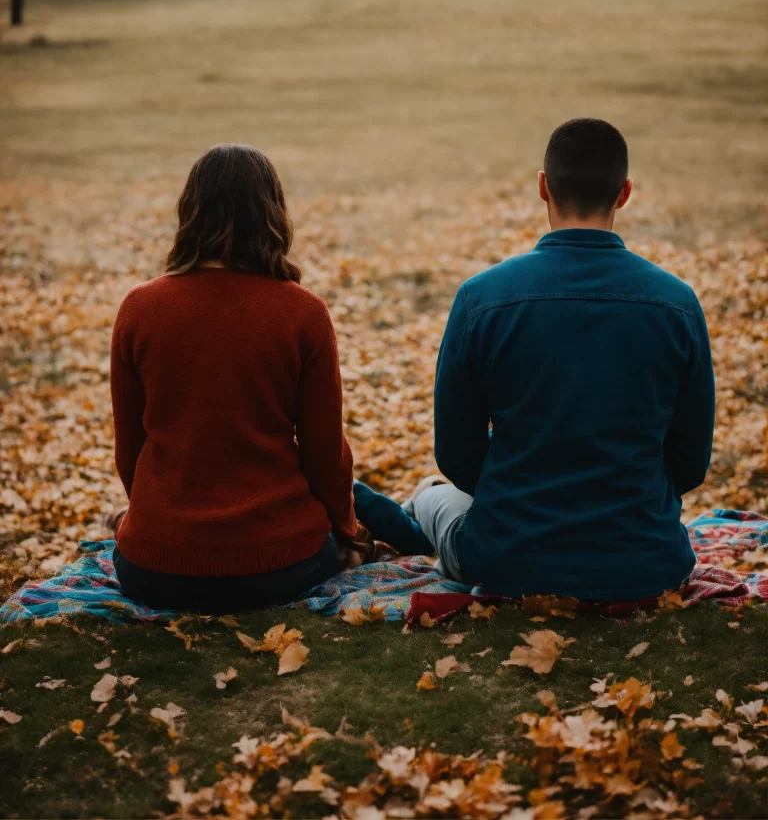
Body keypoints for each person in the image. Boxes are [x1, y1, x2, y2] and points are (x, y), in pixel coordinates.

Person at [354, 119, 716, 601]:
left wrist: (521, 494)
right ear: (624, 193)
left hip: (508, 561)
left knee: (429, 492)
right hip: (646, 563)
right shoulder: (678, 304)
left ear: (543, 187)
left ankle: (411, 516)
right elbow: (690, 461)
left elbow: (456, 452)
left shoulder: (481, 299)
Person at [109, 144, 372, 613]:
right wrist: (345, 534)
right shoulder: (303, 313)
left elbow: (129, 450)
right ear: (272, 213)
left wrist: (162, 525)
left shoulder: (139, 309)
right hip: (278, 565)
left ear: (190, 212)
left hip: (152, 572)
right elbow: (324, 451)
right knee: (366, 506)